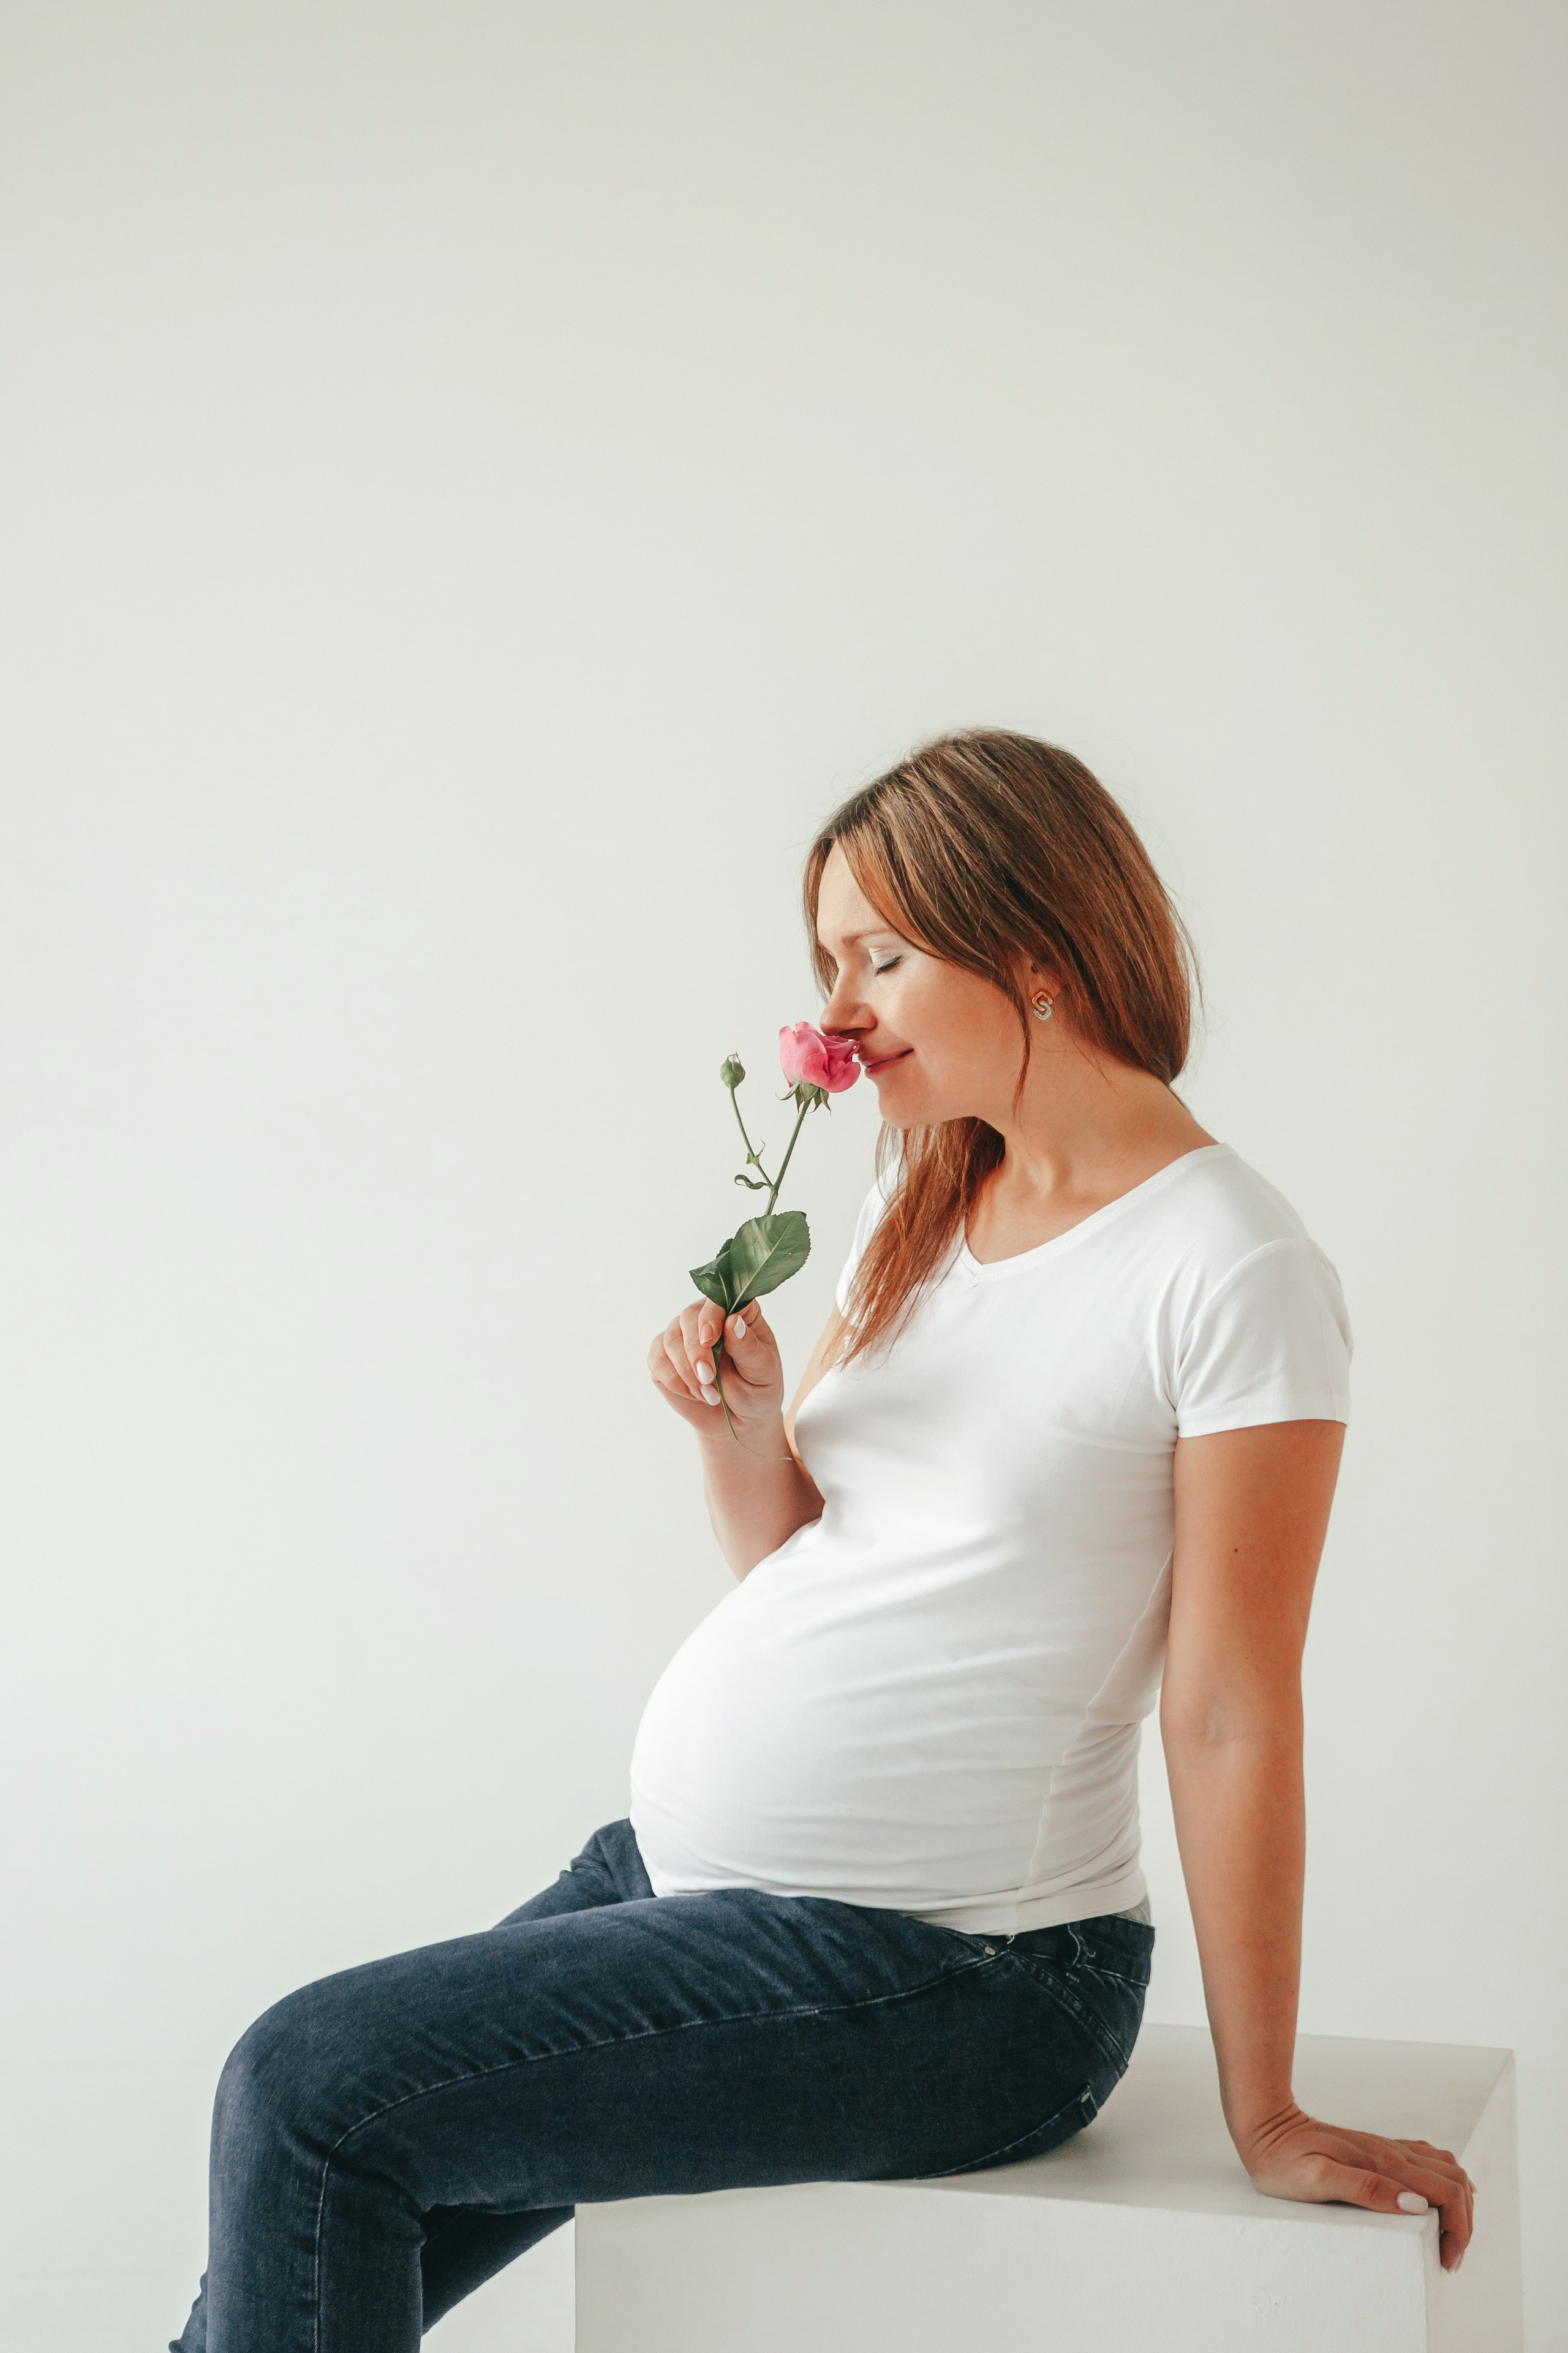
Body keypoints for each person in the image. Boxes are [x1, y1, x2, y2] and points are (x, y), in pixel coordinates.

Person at [171, 730, 1472, 2353]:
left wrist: (1265, 2106)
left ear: (1040, 953)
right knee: (283, 2231)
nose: (839, 1015)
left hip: (966, 1981)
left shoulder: (1230, 1267)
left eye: (882, 955)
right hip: (709, 1882)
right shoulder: (922, 1192)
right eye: (827, 961)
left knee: (308, 2089)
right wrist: (743, 1437)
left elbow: (1229, 1703)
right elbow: (831, 1569)